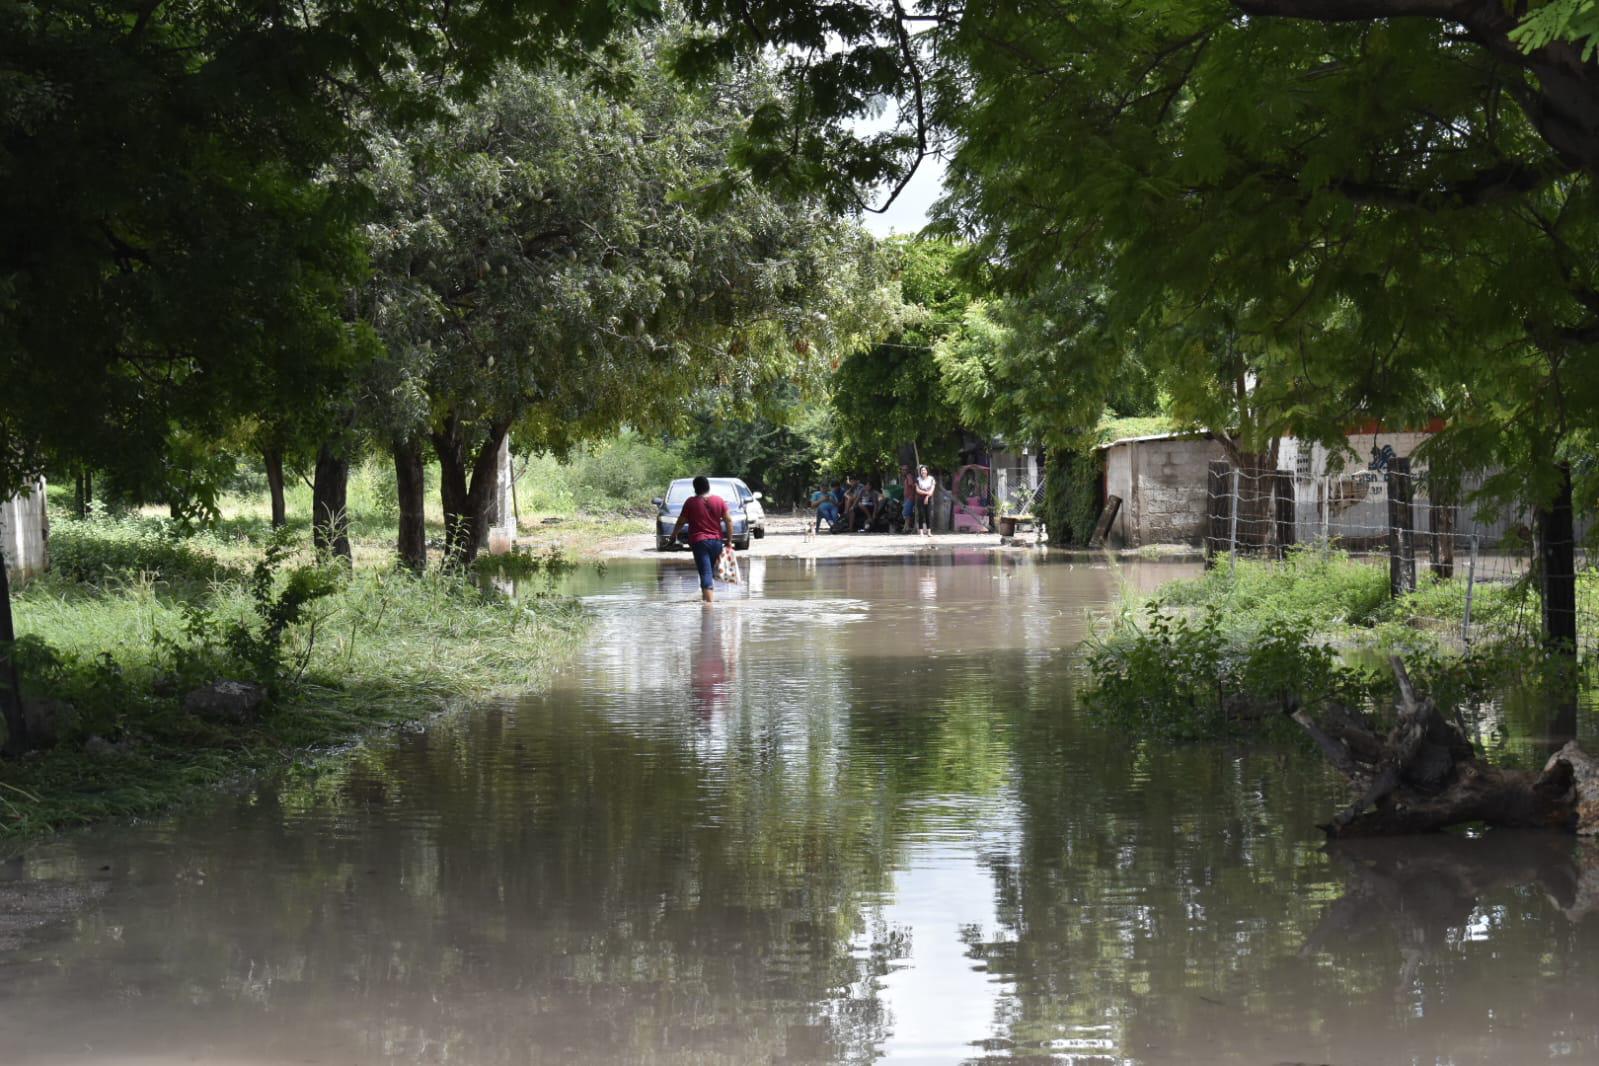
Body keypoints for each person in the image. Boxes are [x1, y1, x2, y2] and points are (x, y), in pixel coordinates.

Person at [672, 475, 733, 603]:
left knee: (705, 573)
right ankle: (708, 599)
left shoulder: (690, 502)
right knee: (709, 572)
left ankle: (708, 607)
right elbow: (728, 520)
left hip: (699, 542)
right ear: (708, 487)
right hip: (717, 542)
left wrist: (673, 535)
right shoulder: (719, 500)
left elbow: (681, 521)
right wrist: (729, 540)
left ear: (695, 488)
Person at [913, 464, 936, 537]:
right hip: (920, 498)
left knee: (928, 515)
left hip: (929, 498)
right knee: (921, 514)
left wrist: (927, 497)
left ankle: (929, 532)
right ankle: (921, 532)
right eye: (922, 470)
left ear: (927, 471)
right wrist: (926, 493)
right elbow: (917, 490)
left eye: (924, 470)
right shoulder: (917, 479)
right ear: (920, 471)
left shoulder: (931, 479)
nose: (923, 471)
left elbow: (932, 490)